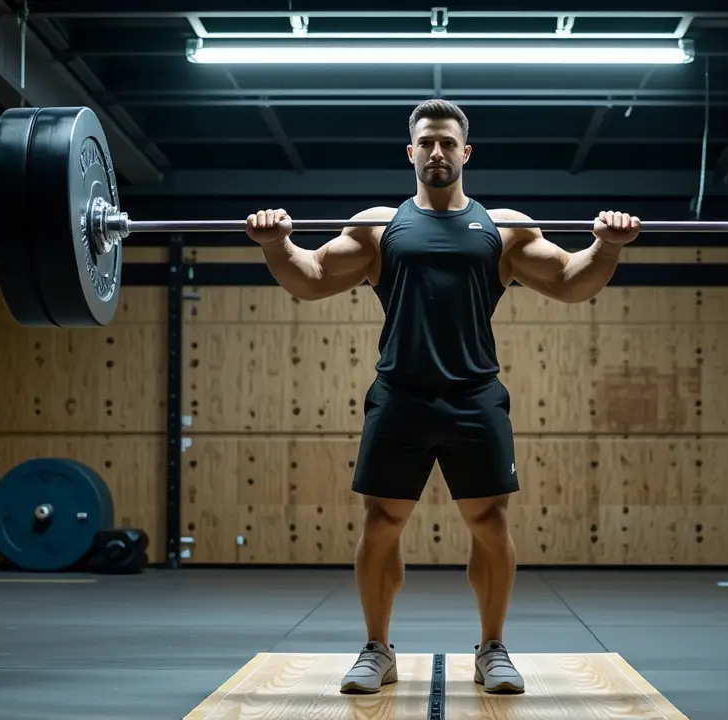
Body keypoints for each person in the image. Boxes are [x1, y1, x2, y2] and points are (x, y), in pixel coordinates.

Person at [244, 99, 640, 695]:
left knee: (489, 522)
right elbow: (315, 276)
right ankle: (377, 648)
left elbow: (567, 280)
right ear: (411, 152)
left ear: (465, 152)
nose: (437, 151)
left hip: (473, 396)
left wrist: (606, 247)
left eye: (447, 143)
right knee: (381, 523)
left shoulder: (502, 229)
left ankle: (493, 648)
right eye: (426, 142)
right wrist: (276, 245)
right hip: (399, 395)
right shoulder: (381, 227)